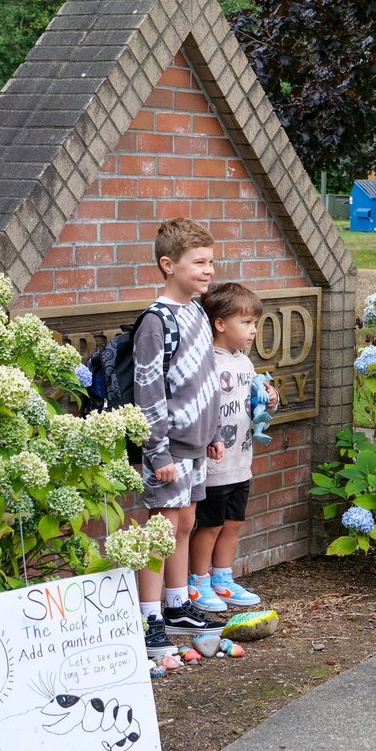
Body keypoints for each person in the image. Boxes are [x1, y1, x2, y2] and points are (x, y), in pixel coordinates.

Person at [137, 217, 226, 659]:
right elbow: (149, 389)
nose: (209, 270)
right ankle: (149, 617)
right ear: (168, 265)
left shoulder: (196, 312)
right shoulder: (157, 321)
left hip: (195, 445)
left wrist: (213, 434)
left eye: (212, 261)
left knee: (185, 524)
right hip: (168, 448)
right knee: (161, 530)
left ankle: (177, 605)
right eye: (200, 262)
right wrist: (157, 452)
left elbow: (204, 379)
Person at [187, 283, 279, 612]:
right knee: (209, 524)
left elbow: (258, 406)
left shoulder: (244, 363)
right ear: (220, 323)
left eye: (255, 323)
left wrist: (270, 398)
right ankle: (197, 581)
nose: (254, 330)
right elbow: (198, 408)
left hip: (241, 461)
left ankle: (222, 579)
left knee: (234, 523)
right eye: (246, 323)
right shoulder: (207, 363)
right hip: (215, 465)